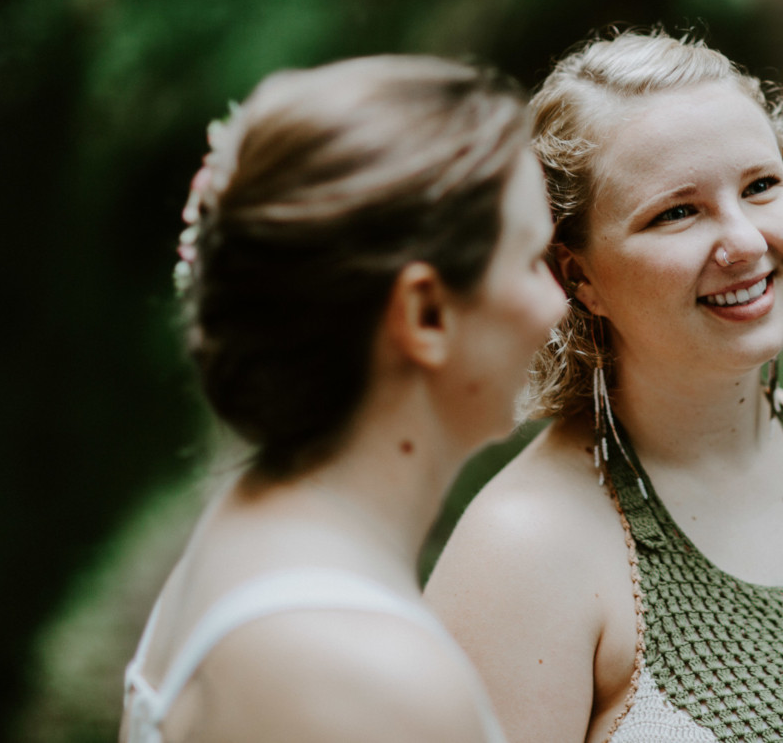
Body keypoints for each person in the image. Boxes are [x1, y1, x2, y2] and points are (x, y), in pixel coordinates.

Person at [426, 30, 783, 743]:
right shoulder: (521, 552)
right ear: (576, 276)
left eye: (760, 186)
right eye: (677, 212)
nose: (745, 241)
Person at [120, 55, 567, 743]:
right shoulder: (366, 680)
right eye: (533, 259)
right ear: (426, 315)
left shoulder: (239, 539)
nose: (557, 304)